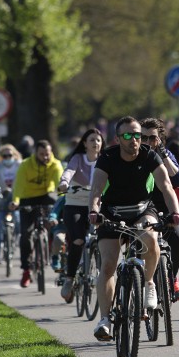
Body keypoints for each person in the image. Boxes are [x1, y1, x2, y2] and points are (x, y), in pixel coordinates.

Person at [89, 116, 179, 341]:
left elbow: (166, 185)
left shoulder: (149, 155)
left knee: (150, 238)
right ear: (118, 138)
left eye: (138, 135)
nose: (135, 140)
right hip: (112, 212)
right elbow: (97, 190)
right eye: (128, 135)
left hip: (142, 209)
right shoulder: (108, 157)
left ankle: (149, 283)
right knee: (109, 264)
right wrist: (94, 211)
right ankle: (105, 320)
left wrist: (175, 212)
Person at [140, 118, 179, 301]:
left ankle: (171, 278)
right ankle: (138, 283)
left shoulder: (165, 154)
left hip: (164, 207)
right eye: (143, 137)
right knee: (138, 247)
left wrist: (161, 153)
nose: (147, 142)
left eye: (152, 138)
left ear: (159, 139)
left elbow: (178, 180)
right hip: (141, 208)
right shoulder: (134, 154)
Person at [57, 128, 104, 303]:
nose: (95, 143)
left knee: (104, 240)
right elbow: (69, 171)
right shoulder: (78, 159)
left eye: (98, 140)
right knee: (77, 240)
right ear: (84, 143)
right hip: (75, 204)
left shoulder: (104, 160)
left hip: (97, 207)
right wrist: (64, 182)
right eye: (92, 140)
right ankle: (69, 278)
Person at [10, 140, 64, 288]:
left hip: (46, 197)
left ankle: (55, 255)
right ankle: (26, 270)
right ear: (35, 153)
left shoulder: (55, 164)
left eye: (47, 154)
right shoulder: (26, 165)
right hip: (27, 198)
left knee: (56, 225)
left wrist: (62, 200)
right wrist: (15, 201)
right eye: (41, 154)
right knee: (25, 234)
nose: (45, 157)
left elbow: (60, 185)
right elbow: (18, 185)